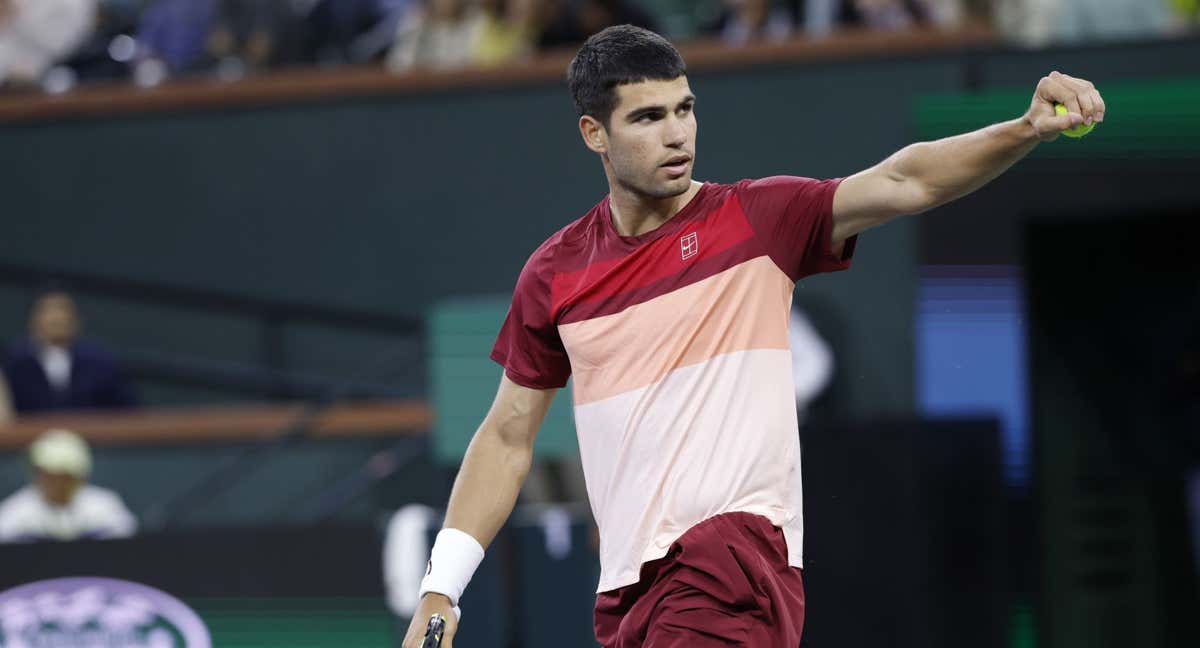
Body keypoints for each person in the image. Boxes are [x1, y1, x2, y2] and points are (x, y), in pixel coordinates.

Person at [401, 25, 1105, 647]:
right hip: (626, 596)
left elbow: (905, 180)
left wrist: (1023, 129)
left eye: (685, 110)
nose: (677, 133)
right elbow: (505, 438)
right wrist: (441, 588)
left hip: (730, 560)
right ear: (595, 134)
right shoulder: (555, 273)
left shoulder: (757, 221)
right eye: (647, 118)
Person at [3, 290, 138, 414]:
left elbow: (127, 409)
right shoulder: (14, 363)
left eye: (62, 311)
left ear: (76, 321)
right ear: (33, 321)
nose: (56, 318)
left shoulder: (100, 362)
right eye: (48, 312)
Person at [0, 429, 138, 543]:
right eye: (49, 474)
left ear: (80, 476)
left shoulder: (106, 506)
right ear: (36, 473)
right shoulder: (14, 513)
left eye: (65, 475)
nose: (57, 482)